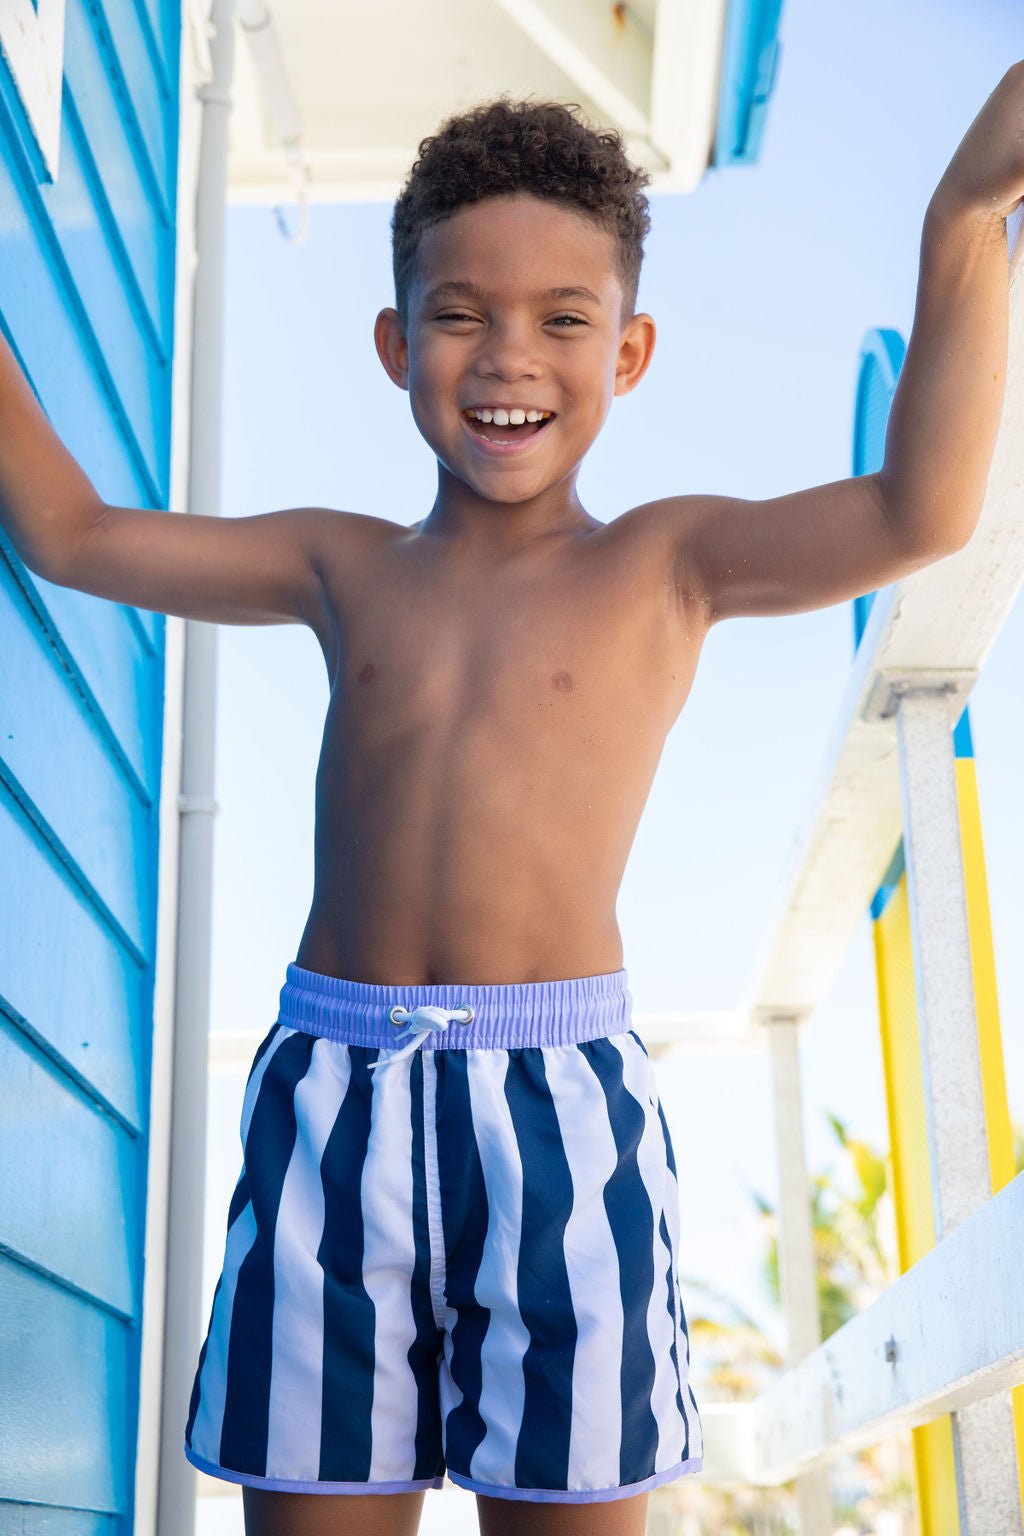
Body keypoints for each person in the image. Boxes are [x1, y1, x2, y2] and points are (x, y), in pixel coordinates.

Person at [0, 65, 1018, 1535]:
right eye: (460, 313)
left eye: (563, 320)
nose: (507, 358)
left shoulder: (666, 564)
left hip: (558, 1115)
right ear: (394, 339)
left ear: (634, 349)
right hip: (332, 1107)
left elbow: (920, 512)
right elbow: (72, 531)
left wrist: (965, 207)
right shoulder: (340, 565)